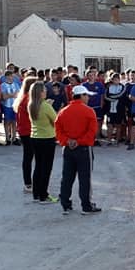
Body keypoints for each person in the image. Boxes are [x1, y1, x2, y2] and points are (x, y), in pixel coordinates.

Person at [55, 85, 101, 215]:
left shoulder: (63, 111)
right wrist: (78, 141)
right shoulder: (89, 111)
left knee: (67, 177)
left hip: (68, 148)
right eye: (86, 95)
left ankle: (65, 203)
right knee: (85, 178)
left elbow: (58, 130)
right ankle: (86, 206)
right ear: (81, 96)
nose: (88, 98)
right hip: (84, 149)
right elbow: (92, 132)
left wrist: (67, 141)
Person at [28, 81, 58, 203]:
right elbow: (56, 120)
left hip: (35, 137)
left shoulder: (31, 105)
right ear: (40, 93)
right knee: (46, 168)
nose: (46, 92)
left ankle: (36, 194)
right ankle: (43, 195)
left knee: (38, 167)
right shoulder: (45, 106)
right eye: (44, 90)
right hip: (47, 138)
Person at [14, 76, 38, 192]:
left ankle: (28, 183)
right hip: (29, 131)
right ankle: (28, 183)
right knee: (30, 157)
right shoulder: (29, 99)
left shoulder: (24, 97)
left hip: (25, 130)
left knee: (28, 157)